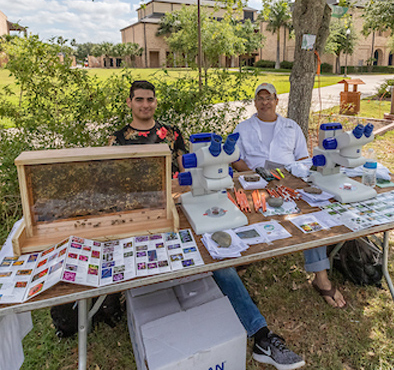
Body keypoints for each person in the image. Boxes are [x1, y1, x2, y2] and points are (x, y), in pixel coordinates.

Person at [111, 80, 305, 370]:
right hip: (139, 210)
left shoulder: (171, 133)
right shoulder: (118, 140)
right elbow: (115, 181)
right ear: (129, 103)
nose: (145, 105)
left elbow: (187, 171)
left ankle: (261, 334)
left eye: (149, 99)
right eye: (139, 100)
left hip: (177, 206)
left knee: (220, 257)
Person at [233, 82, 347, 309]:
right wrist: (251, 174)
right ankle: (244, 258)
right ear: (255, 102)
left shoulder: (291, 127)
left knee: (310, 216)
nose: (265, 102)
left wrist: (290, 179)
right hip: (254, 180)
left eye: (269, 97)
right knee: (242, 209)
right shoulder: (242, 128)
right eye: (260, 98)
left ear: (277, 101)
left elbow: (303, 158)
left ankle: (320, 275)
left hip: (288, 180)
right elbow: (235, 157)